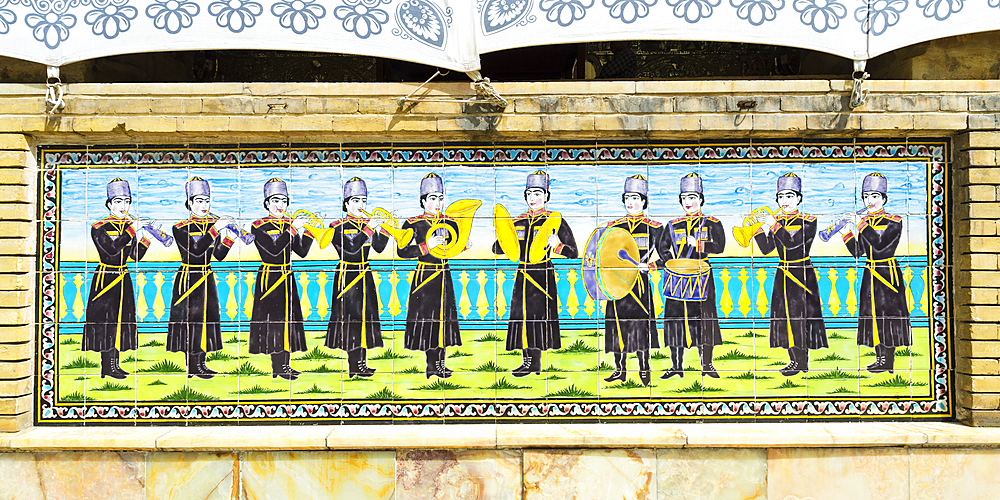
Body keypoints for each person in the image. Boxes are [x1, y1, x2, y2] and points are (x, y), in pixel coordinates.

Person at [492, 171, 578, 377]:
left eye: (538, 193)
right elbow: (497, 249)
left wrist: (557, 246)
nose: (534, 198)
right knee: (522, 317)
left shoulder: (556, 221)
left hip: (543, 273)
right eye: (530, 193)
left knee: (539, 317)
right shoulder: (518, 221)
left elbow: (573, 252)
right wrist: (502, 236)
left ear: (547, 196)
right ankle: (526, 361)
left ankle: (535, 362)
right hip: (523, 273)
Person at [753, 172, 828, 376]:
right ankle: (793, 360)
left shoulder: (808, 221)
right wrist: (758, 231)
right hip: (783, 272)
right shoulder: (777, 220)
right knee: (784, 317)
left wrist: (773, 225)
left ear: (799, 198)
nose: (784, 201)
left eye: (789, 196)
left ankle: (802, 361)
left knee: (801, 317)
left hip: (802, 273)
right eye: (781, 196)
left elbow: (793, 243)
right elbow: (768, 249)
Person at [166, 177, 238, 379]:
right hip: (188, 277)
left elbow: (218, 255)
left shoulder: (210, 225)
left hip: (206, 277)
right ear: (189, 203)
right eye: (198, 201)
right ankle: (192, 365)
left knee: (207, 320)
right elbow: (195, 251)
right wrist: (215, 228)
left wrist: (230, 237)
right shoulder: (180, 227)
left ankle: (202, 363)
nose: (203, 205)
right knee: (191, 321)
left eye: (206, 201)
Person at [839, 173, 912, 373]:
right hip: (870, 272)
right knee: (873, 316)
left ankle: (888, 360)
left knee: (887, 315)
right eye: (865, 197)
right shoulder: (867, 222)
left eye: (874, 196)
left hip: (887, 273)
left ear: (884, 199)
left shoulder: (894, 221)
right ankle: (880, 358)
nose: (869, 201)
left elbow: (880, 246)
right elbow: (858, 252)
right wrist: (846, 232)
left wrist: (861, 224)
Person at [660, 173, 726, 379]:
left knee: (704, 320)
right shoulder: (672, 225)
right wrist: (672, 262)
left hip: (702, 276)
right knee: (674, 320)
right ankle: (676, 366)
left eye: (693, 197)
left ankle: (707, 365)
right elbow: (662, 248)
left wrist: (698, 244)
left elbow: (719, 247)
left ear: (701, 199)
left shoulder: (712, 223)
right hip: (677, 276)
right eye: (685, 198)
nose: (688, 202)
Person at [83, 178, 151, 379]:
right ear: (109, 204)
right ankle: (107, 365)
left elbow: (135, 256)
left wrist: (147, 237)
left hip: (123, 277)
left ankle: (115, 364)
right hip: (106, 277)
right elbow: (111, 250)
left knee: (122, 320)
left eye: (127, 201)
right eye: (119, 201)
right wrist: (133, 230)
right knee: (107, 321)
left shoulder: (127, 226)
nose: (124, 206)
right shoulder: (99, 227)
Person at [397, 173, 463, 379]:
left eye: (440, 198)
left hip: (444, 275)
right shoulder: (412, 224)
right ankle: (431, 365)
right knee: (428, 321)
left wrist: (462, 247)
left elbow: (452, 247)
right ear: (423, 201)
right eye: (432, 198)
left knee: (444, 320)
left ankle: (441, 363)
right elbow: (402, 252)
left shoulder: (449, 222)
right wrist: (427, 246)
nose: (437, 203)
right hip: (424, 276)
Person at [324, 177, 390, 378]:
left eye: (363, 201)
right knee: (351, 319)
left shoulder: (365, 224)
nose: (360, 205)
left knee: (366, 319)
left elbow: (378, 248)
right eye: (355, 201)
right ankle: (354, 365)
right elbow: (351, 249)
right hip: (348, 275)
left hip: (365, 274)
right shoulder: (337, 226)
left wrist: (385, 229)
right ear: (346, 204)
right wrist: (369, 227)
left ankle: (361, 363)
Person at [249, 178, 314, 380]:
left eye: (284, 201)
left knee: (288, 322)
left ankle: (285, 364)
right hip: (270, 277)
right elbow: (274, 252)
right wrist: (293, 229)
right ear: (267, 203)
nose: (281, 206)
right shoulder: (258, 226)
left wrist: (309, 232)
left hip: (287, 276)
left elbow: (301, 252)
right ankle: (278, 367)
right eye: (276, 200)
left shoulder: (288, 225)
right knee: (274, 322)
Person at [601, 175, 662, 386]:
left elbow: (667, 257)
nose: (630, 202)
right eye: (627, 197)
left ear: (644, 201)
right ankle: (620, 369)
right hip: (616, 284)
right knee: (617, 326)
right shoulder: (613, 227)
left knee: (640, 327)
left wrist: (651, 266)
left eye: (635, 197)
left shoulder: (655, 228)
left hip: (639, 285)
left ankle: (644, 368)